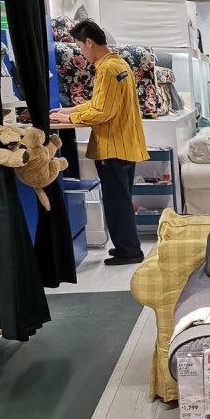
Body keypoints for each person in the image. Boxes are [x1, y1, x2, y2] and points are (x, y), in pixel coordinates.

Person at [50, 19, 148, 266]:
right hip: (125, 144)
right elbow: (100, 104)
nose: (81, 52)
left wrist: (70, 117)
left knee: (117, 202)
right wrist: (71, 110)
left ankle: (129, 250)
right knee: (121, 200)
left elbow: (102, 111)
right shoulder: (119, 64)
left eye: (80, 47)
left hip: (112, 146)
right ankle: (127, 246)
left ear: (89, 42)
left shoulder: (106, 69)